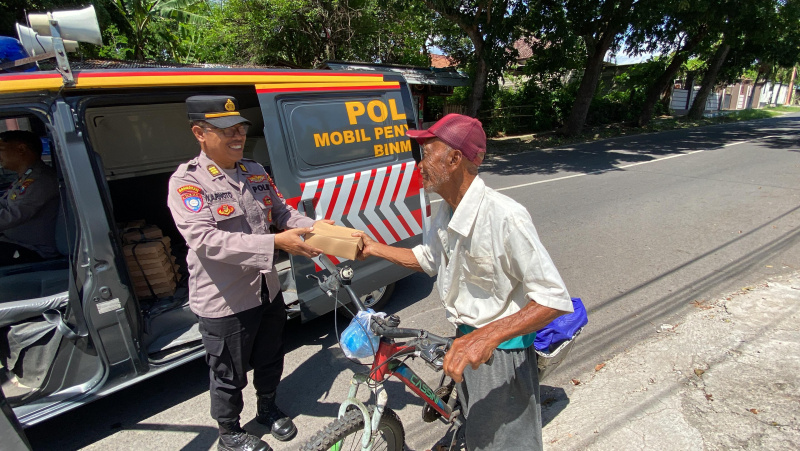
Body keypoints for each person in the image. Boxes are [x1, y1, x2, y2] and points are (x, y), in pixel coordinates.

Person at [353, 114, 574, 451]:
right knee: (476, 430)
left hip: (500, 352)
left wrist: (485, 337)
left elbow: (553, 298)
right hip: (467, 341)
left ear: (455, 158)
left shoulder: (505, 216)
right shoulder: (444, 211)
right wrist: (372, 248)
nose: (419, 163)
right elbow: (429, 259)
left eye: (427, 153)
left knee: (506, 443)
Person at [167, 95, 331, 451]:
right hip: (224, 298)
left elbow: (283, 214)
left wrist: (316, 227)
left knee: (271, 356)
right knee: (228, 373)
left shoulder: (254, 171)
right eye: (225, 130)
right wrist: (277, 245)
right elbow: (205, 239)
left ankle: (268, 408)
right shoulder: (187, 183)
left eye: (240, 127)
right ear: (199, 132)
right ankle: (229, 432)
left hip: (266, 289)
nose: (237, 135)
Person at [0, 130, 60, 266]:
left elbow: (15, 214)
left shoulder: (40, 180)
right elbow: (3, 203)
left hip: (33, 249)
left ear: (21, 149)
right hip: (14, 242)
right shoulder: (25, 177)